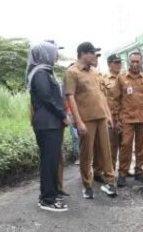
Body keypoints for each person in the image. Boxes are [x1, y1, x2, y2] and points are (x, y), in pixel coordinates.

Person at [64, 42, 117, 199]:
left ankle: (110, 182)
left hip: (101, 117)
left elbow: (101, 95)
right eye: (93, 53)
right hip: (86, 120)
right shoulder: (72, 72)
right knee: (86, 154)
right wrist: (78, 121)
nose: (95, 56)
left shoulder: (94, 71)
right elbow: (70, 98)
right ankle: (87, 185)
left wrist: (108, 115)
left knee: (106, 152)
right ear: (83, 54)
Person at [26, 41, 69, 212]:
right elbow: (46, 97)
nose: (56, 55)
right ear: (45, 54)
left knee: (51, 161)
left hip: (50, 123)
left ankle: (50, 193)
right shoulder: (40, 73)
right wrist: (63, 114)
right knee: (49, 161)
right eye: (54, 52)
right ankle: (47, 199)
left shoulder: (44, 72)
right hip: (47, 123)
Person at [116, 52, 143, 187]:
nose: (134, 64)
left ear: (141, 62)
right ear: (128, 62)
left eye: (137, 61)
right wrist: (117, 118)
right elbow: (116, 100)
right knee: (125, 146)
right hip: (127, 118)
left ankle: (139, 171)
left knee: (142, 146)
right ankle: (122, 173)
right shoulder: (121, 78)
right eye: (132, 61)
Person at [94, 54, 123, 178]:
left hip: (125, 116)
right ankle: (109, 172)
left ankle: (123, 171)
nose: (118, 64)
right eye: (115, 62)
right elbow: (101, 99)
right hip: (110, 117)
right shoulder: (103, 79)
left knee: (125, 146)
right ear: (109, 64)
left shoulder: (125, 77)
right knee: (111, 146)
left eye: (119, 62)